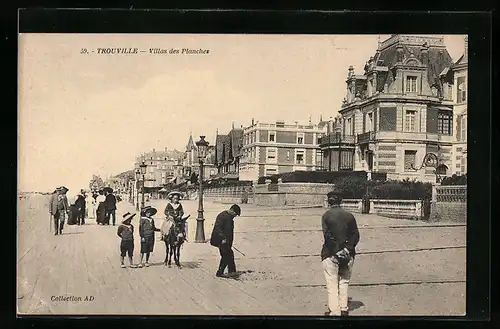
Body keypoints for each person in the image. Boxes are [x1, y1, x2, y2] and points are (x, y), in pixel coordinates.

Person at [321, 190, 360, 317]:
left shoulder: (326, 216)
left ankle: (335, 311)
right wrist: (347, 249)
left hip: (330, 253)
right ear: (341, 201)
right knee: (344, 281)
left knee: (332, 283)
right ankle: (343, 308)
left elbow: (328, 236)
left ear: (329, 201)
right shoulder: (349, 216)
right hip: (348, 254)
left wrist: (337, 250)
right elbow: (355, 234)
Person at [210, 204, 241, 278]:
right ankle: (221, 272)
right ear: (232, 210)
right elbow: (218, 228)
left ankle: (231, 272)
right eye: (235, 214)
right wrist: (223, 238)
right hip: (221, 240)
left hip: (226, 241)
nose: (235, 216)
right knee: (226, 255)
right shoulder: (222, 216)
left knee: (228, 255)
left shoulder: (229, 217)